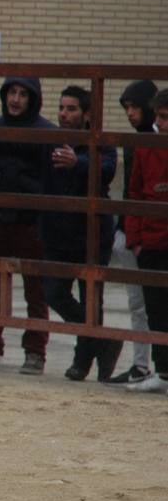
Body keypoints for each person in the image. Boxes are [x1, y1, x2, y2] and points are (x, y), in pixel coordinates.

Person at [0, 77, 53, 374]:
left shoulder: (47, 133)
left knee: (36, 291)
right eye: (12, 93)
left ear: (33, 99)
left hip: (31, 223)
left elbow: (52, 175)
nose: (16, 99)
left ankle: (35, 353)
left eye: (22, 94)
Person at [41, 85, 119, 381]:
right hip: (57, 233)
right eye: (61, 108)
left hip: (92, 234)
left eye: (71, 109)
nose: (64, 114)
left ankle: (83, 361)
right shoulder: (50, 139)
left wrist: (79, 164)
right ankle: (103, 342)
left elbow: (108, 169)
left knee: (91, 299)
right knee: (55, 294)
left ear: (86, 114)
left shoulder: (101, 141)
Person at [104, 79, 158, 385]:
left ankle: (150, 366)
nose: (130, 113)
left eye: (135, 107)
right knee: (139, 302)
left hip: (147, 233)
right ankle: (142, 365)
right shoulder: (134, 143)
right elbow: (132, 191)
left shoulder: (149, 142)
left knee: (151, 302)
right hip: (135, 230)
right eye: (127, 108)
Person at [123, 88, 168, 394]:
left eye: (165, 118)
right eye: (160, 117)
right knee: (155, 308)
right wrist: (135, 239)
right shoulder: (144, 147)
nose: (161, 124)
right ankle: (163, 371)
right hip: (151, 241)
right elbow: (135, 193)